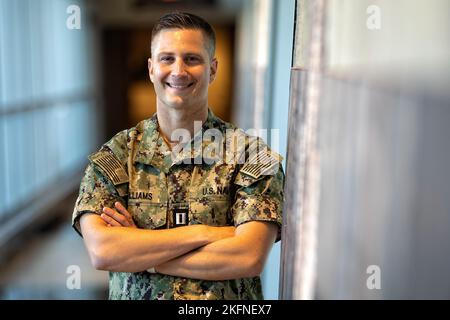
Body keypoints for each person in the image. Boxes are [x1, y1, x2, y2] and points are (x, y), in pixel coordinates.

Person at [72, 11, 285, 300]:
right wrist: (206, 233)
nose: (178, 70)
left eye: (192, 59)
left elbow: (247, 256)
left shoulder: (250, 157)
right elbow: (104, 251)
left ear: (212, 69)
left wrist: (142, 255)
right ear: (151, 68)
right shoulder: (117, 157)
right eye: (167, 58)